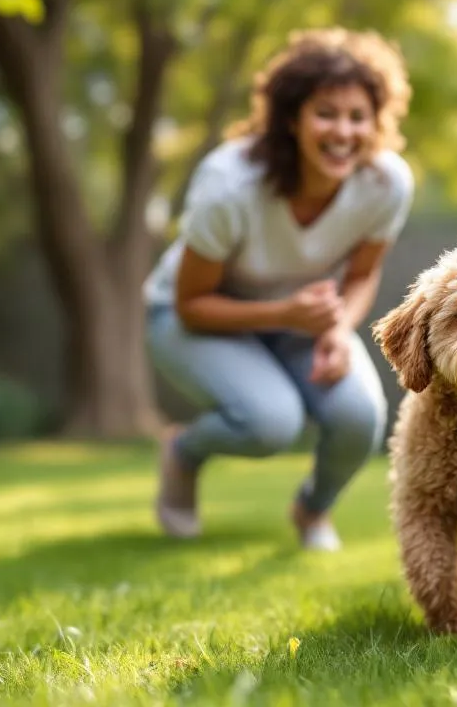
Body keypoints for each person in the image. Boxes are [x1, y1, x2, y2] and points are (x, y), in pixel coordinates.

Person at [142, 27, 415, 550]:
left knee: (360, 417)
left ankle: (313, 510)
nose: (344, 132)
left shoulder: (385, 183)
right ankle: (184, 452)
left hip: (300, 319)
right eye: (326, 113)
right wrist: (287, 315)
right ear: (292, 119)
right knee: (270, 423)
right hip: (190, 319)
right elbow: (190, 304)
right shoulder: (229, 185)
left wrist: (337, 327)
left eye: (358, 116)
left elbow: (361, 275)